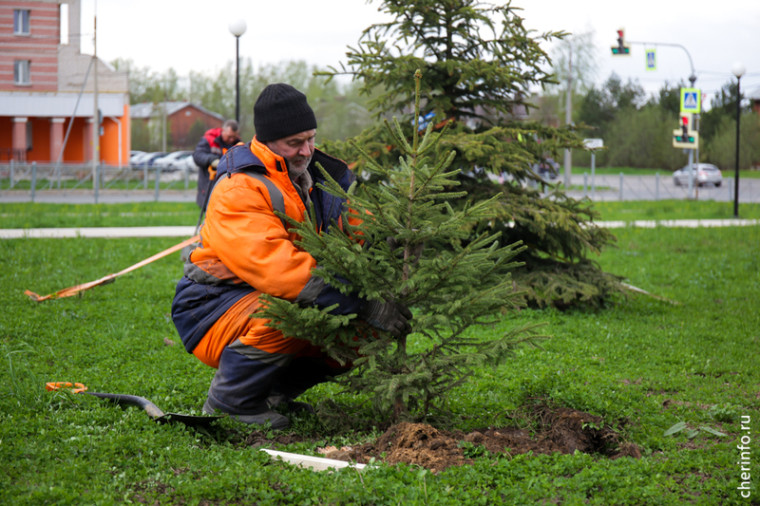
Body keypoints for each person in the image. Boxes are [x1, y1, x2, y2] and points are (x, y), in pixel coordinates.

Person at [172, 83, 411, 429]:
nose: (307, 150)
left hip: (268, 296)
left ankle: (270, 394)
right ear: (266, 139)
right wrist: (364, 302)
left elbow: (355, 223)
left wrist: (395, 236)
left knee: (361, 334)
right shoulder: (240, 188)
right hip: (211, 307)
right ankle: (231, 403)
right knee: (295, 311)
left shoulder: (314, 177)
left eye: (311, 138)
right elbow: (284, 273)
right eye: (294, 143)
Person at [192, 119, 241, 208]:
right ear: (223, 130)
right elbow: (197, 155)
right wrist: (211, 160)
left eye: (234, 137)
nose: (231, 139)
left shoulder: (238, 144)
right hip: (209, 185)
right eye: (229, 136)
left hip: (228, 189)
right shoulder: (209, 140)